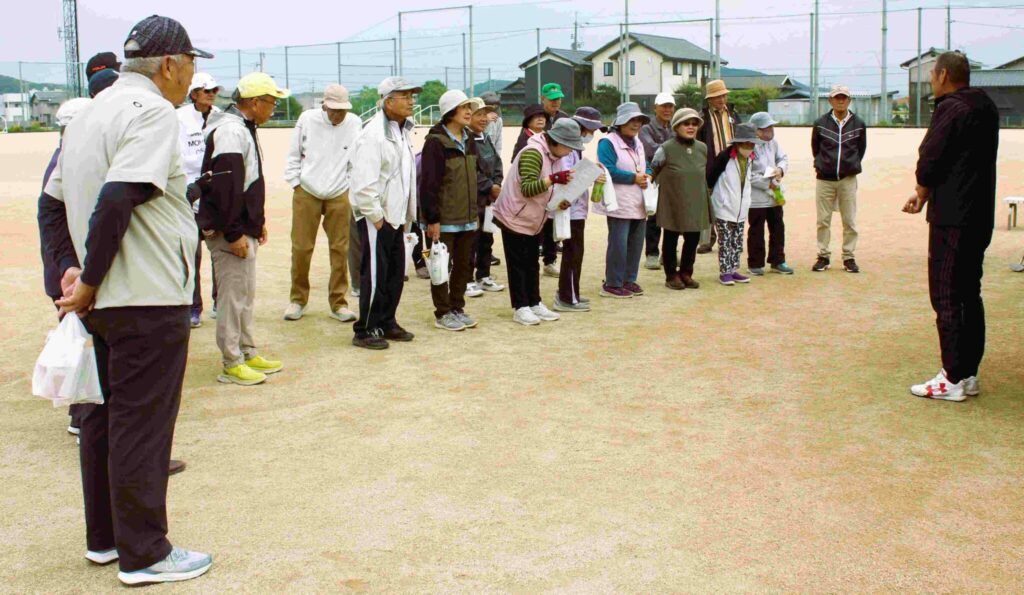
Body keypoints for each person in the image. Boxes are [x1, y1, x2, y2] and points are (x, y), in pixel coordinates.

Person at [39, 15, 212, 585]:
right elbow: (119, 198)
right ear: (170, 64)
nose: (192, 74)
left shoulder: (88, 115)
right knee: (142, 423)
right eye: (191, 63)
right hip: (145, 294)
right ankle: (145, 553)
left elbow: (50, 203)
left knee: (100, 417)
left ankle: (106, 539)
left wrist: (68, 270)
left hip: (104, 303)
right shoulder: (154, 112)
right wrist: (88, 277)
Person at [902, 51, 999, 402]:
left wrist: (921, 191)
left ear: (944, 75)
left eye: (932, 73)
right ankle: (968, 372)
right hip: (979, 215)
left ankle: (952, 377)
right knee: (969, 292)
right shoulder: (985, 106)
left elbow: (930, 157)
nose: (931, 79)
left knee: (946, 294)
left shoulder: (951, 108)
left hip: (953, 217)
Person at [199, 72, 287, 386]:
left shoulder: (245, 128)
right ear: (254, 102)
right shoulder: (230, 131)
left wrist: (256, 224)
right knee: (232, 298)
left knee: (245, 295)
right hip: (230, 233)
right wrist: (234, 232)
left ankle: (247, 351)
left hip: (243, 228)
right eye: (271, 102)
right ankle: (232, 361)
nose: (274, 108)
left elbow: (248, 182)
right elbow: (226, 188)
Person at [350, 77, 421, 349]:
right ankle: (365, 329)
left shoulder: (402, 131)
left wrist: (405, 216)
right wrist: (377, 218)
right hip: (377, 218)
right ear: (387, 101)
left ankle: (387, 321)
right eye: (405, 96)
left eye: (412, 96)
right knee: (375, 274)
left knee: (394, 273)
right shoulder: (373, 135)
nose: (411, 101)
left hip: (397, 216)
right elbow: (363, 184)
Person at [283, 84, 361, 324]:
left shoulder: (355, 123)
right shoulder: (307, 119)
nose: (339, 114)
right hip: (307, 191)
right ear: (324, 106)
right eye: (334, 109)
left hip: (339, 193)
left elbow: (356, 159)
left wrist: (349, 186)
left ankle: (339, 303)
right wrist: (296, 183)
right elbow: (294, 154)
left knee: (340, 249)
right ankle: (298, 299)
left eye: (343, 110)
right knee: (301, 248)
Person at [493, 118, 582, 325]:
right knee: (518, 264)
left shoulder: (554, 156)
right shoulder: (533, 153)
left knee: (532, 262)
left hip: (533, 218)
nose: (571, 151)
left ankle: (534, 302)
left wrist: (559, 201)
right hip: (514, 216)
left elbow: (548, 190)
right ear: (557, 141)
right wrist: (554, 179)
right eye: (569, 146)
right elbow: (528, 188)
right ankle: (520, 307)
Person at [419, 90, 481, 331]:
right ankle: (442, 312)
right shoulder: (435, 142)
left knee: (464, 266)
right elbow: (429, 184)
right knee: (440, 266)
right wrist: (432, 219)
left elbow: (476, 175)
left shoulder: (470, 139)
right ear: (450, 112)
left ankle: (457, 307)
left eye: (469, 107)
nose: (469, 112)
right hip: (443, 219)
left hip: (468, 217)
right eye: (463, 107)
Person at [594, 102, 651, 299]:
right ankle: (612, 283)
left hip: (638, 200)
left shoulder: (638, 142)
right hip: (618, 201)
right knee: (618, 244)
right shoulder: (608, 142)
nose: (636, 124)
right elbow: (607, 169)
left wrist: (648, 174)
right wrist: (633, 177)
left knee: (636, 244)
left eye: (639, 120)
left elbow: (646, 164)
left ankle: (628, 280)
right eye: (631, 120)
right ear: (620, 122)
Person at [177, 72, 221, 328]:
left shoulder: (221, 117)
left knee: (219, 252)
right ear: (193, 94)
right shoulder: (179, 118)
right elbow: (180, 157)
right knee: (190, 256)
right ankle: (193, 308)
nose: (212, 95)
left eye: (215, 90)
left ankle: (219, 302)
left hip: (214, 195)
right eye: (207, 90)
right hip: (190, 194)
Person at [552, 106, 606, 312]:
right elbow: (569, 176)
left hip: (575, 208)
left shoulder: (576, 148)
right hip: (569, 209)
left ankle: (571, 293)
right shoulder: (569, 147)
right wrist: (591, 175)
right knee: (572, 253)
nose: (592, 134)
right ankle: (567, 297)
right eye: (591, 130)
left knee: (576, 252)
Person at [650, 107, 710, 290]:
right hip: (672, 201)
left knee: (693, 238)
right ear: (676, 126)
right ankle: (671, 275)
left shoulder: (702, 148)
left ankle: (686, 272)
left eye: (694, 124)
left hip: (696, 199)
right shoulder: (666, 148)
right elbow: (654, 169)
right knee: (671, 238)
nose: (691, 127)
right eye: (686, 124)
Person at [811, 84, 867, 273]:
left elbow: (860, 150)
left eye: (844, 97)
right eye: (837, 97)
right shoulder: (820, 123)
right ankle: (823, 256)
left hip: (847, 179)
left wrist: (849, 166)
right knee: (823, 220)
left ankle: (849, 257)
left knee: (849, 220)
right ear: (830, 100)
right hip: (824, 179)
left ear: (849, 100)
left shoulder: (859, 124)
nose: (840, 100)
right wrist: (823, 165)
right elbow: (816, 149)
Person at [707, 123, 759, 286]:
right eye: (746, 143)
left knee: (737, 241)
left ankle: (733, 269)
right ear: (738, 143)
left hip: (741, 208)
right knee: (725, 241)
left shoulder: (751, 158)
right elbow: (711, 177)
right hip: (724, 206)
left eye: (752, 143)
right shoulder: (725, 157)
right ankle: (725, 272)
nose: (749, 147)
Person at [746, 112, 794, 276]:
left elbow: (783, 158)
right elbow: (748, 174)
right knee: (756, 230)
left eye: (771, 127)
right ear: (756, 130)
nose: (771, 131)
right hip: (757, 198)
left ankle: (778, 260)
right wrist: (767, 183)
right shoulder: (748, 146)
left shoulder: (773, 143)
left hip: (775, 195)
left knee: (778, 228)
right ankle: (755, 263)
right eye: (766, 128)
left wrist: (780, 169)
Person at [466, 100, 506, 296]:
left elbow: (497, 163)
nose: (484, 119)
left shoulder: (486, 137)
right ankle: (466, 279)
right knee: (470, 241)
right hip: (473, 199)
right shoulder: (466, 140)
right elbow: (471, 171)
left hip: (489, 199)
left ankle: (483, 276)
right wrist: (490, 186)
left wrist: (497, 183)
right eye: (479, 114)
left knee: (486, 238)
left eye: (485, 115)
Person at [698, 79, 739, 253]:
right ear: (709, 99)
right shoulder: (702, 118)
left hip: (732, 163)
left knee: (731, 200)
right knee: (708, 201)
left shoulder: (733, 114)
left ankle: (729, 236)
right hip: (711, 164)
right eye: (717, 97)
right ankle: (708, 239)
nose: (721, 100)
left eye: (723, 96)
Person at [639, 92, 675, 270]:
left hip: (673, 178)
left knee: (672, 217)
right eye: (663, 106)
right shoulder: (646, 128)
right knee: (653, 216)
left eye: (670, 106)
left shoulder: (675, 127)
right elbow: (651, 151)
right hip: (654, 177)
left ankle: (668, 253)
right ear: (655, 108)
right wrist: (673, 150)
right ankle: (652, 254)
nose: (667, 110)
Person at [481, 91, 503, 156]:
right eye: (490, 105)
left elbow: (499, 141)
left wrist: (497, 157)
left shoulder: (498, 120)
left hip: (492, 157)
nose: (493, 107)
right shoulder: (476, 119)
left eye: (495, 105)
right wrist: (486, 121)